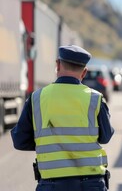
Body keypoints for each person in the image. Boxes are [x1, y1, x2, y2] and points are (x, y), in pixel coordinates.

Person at [11, 45, 114, 191]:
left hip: (51, 184)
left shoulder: (37, 98)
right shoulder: (95, 98)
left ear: (58, 65)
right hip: (91, 184)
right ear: (84, 72)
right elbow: (105, 137)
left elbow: (20, 141)